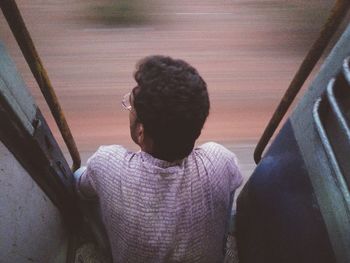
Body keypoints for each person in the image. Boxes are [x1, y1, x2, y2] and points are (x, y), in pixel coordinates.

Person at [75, 55, 243, 263]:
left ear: (141, 132)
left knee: (81, 178)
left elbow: (81, 187)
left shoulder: (107, 164)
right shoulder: (221, 161)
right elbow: (234, 184)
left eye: (131, 107)